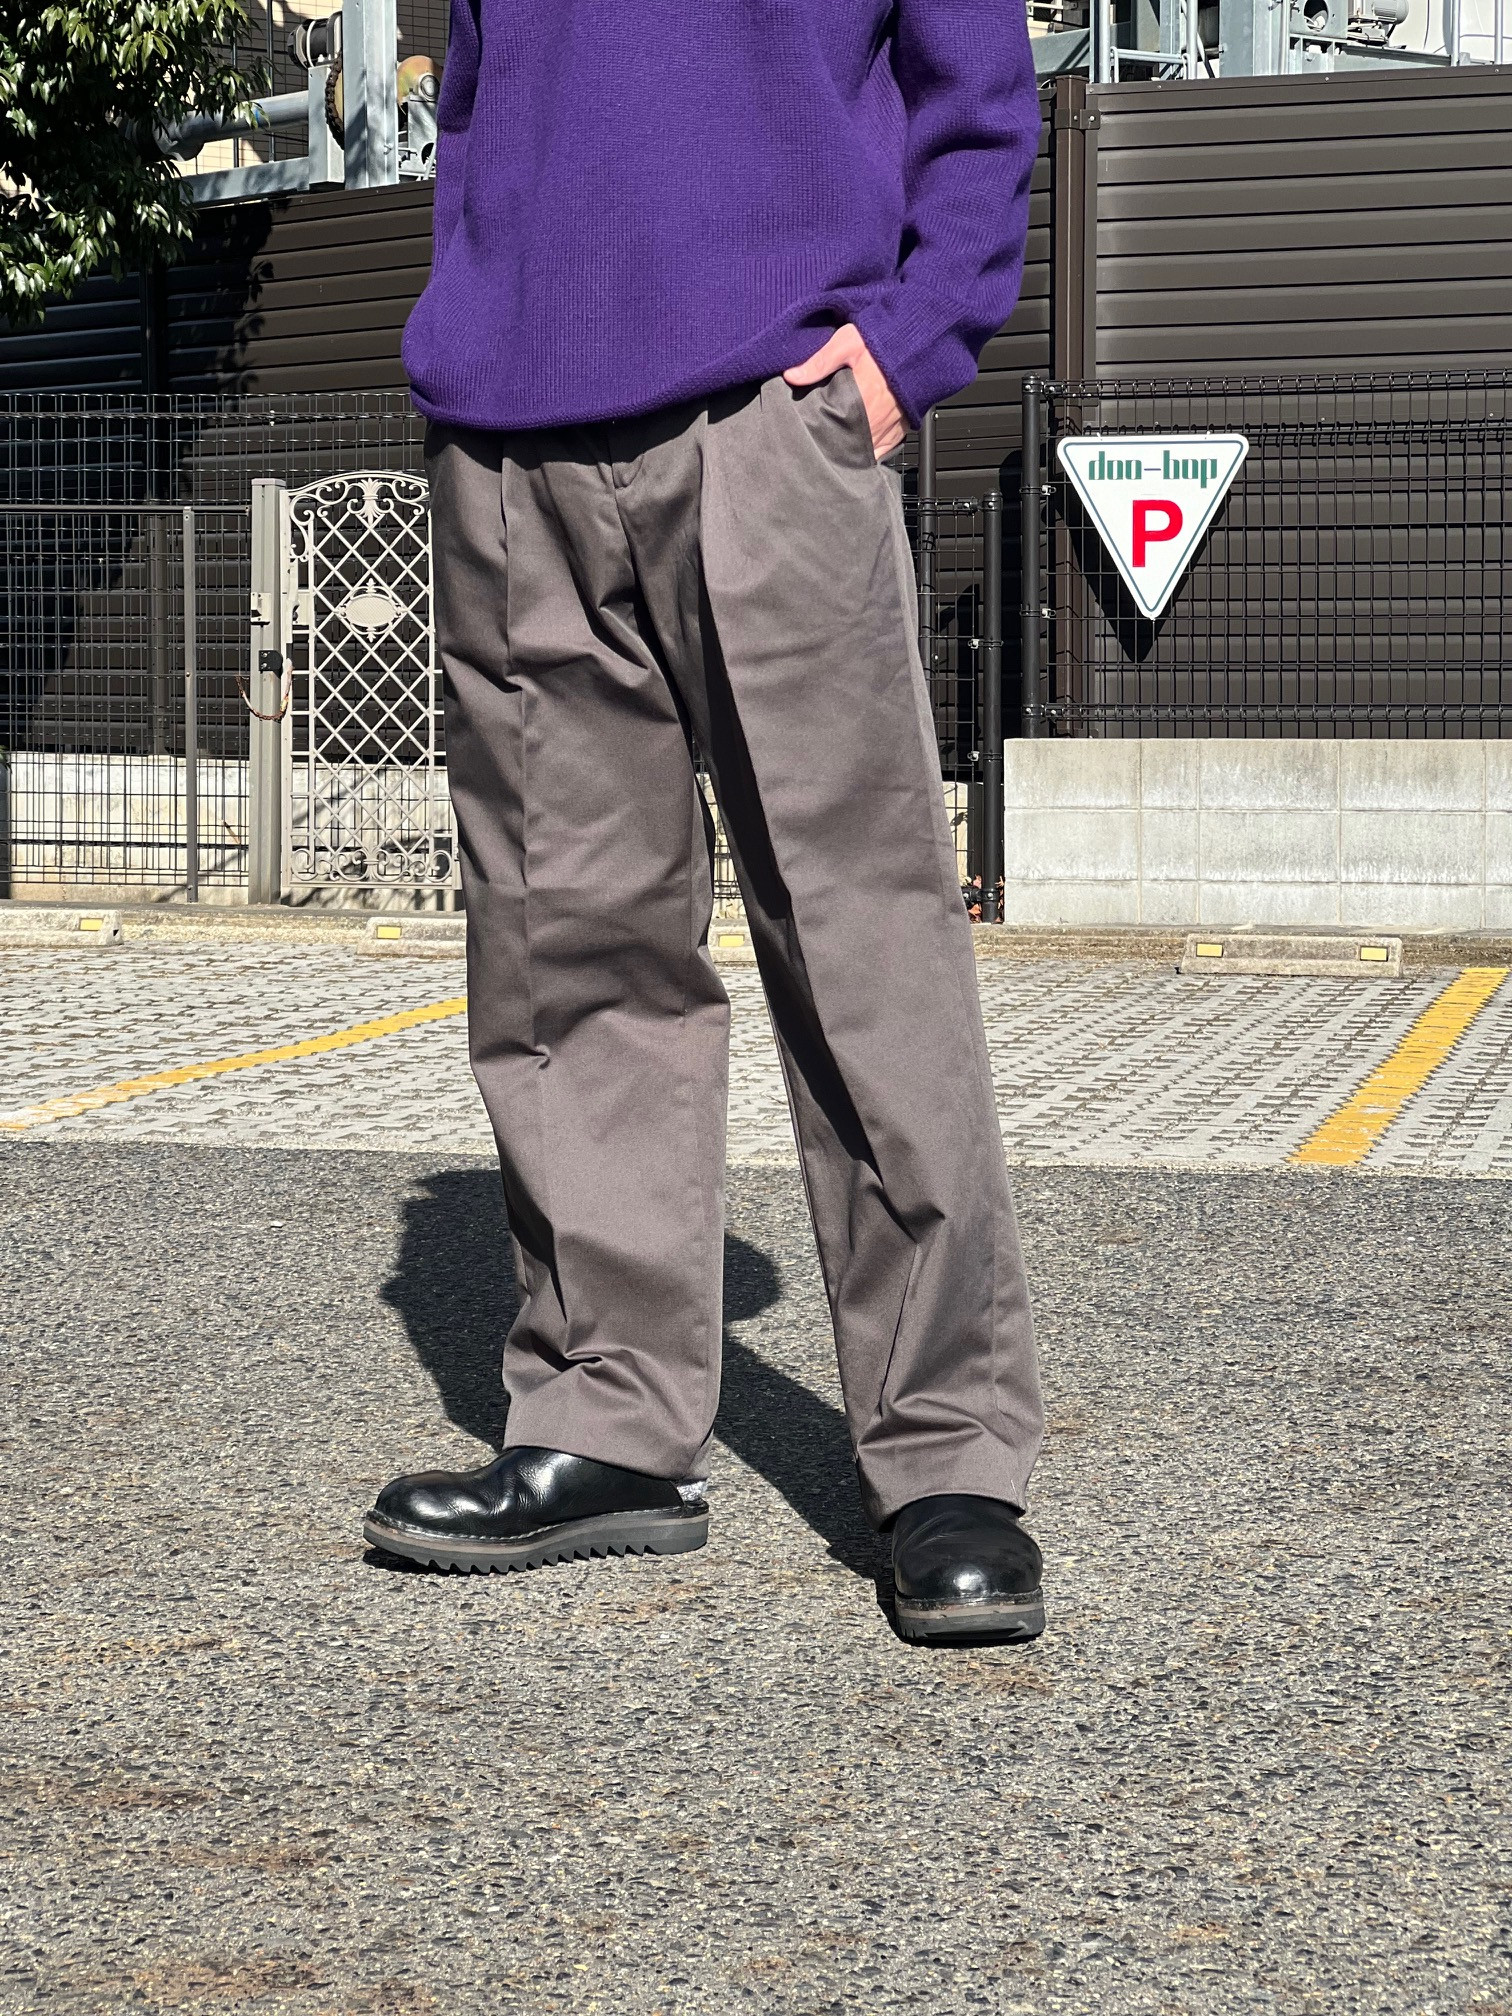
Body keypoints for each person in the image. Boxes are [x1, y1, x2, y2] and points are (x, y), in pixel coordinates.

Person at [363, 0, 1048, 1644]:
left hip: (773, 415)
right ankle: (605, 1417)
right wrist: (474, 339)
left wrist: (910, 343)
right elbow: (482, 94)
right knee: (560, 948)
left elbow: (978, 86)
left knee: (863, 943)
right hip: (513, 436)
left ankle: (945, 1452)